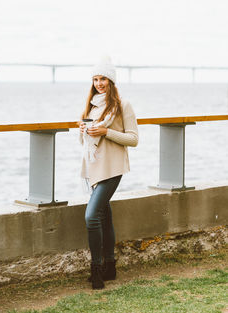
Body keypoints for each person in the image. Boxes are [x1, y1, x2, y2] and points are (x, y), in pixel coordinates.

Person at [79, 56, 138, 289]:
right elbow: (87, 140)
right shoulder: (92, 105)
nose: (99, 83)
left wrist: (105, 131)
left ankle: (96, 270)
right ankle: (110, 267)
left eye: (103, 78)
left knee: (91, 216)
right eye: (95, 79)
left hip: (112, 168)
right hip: (94, 168)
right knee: (104, 216)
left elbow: (133, 139)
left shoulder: (123, 105)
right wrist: (84, 129)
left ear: (111, 81)